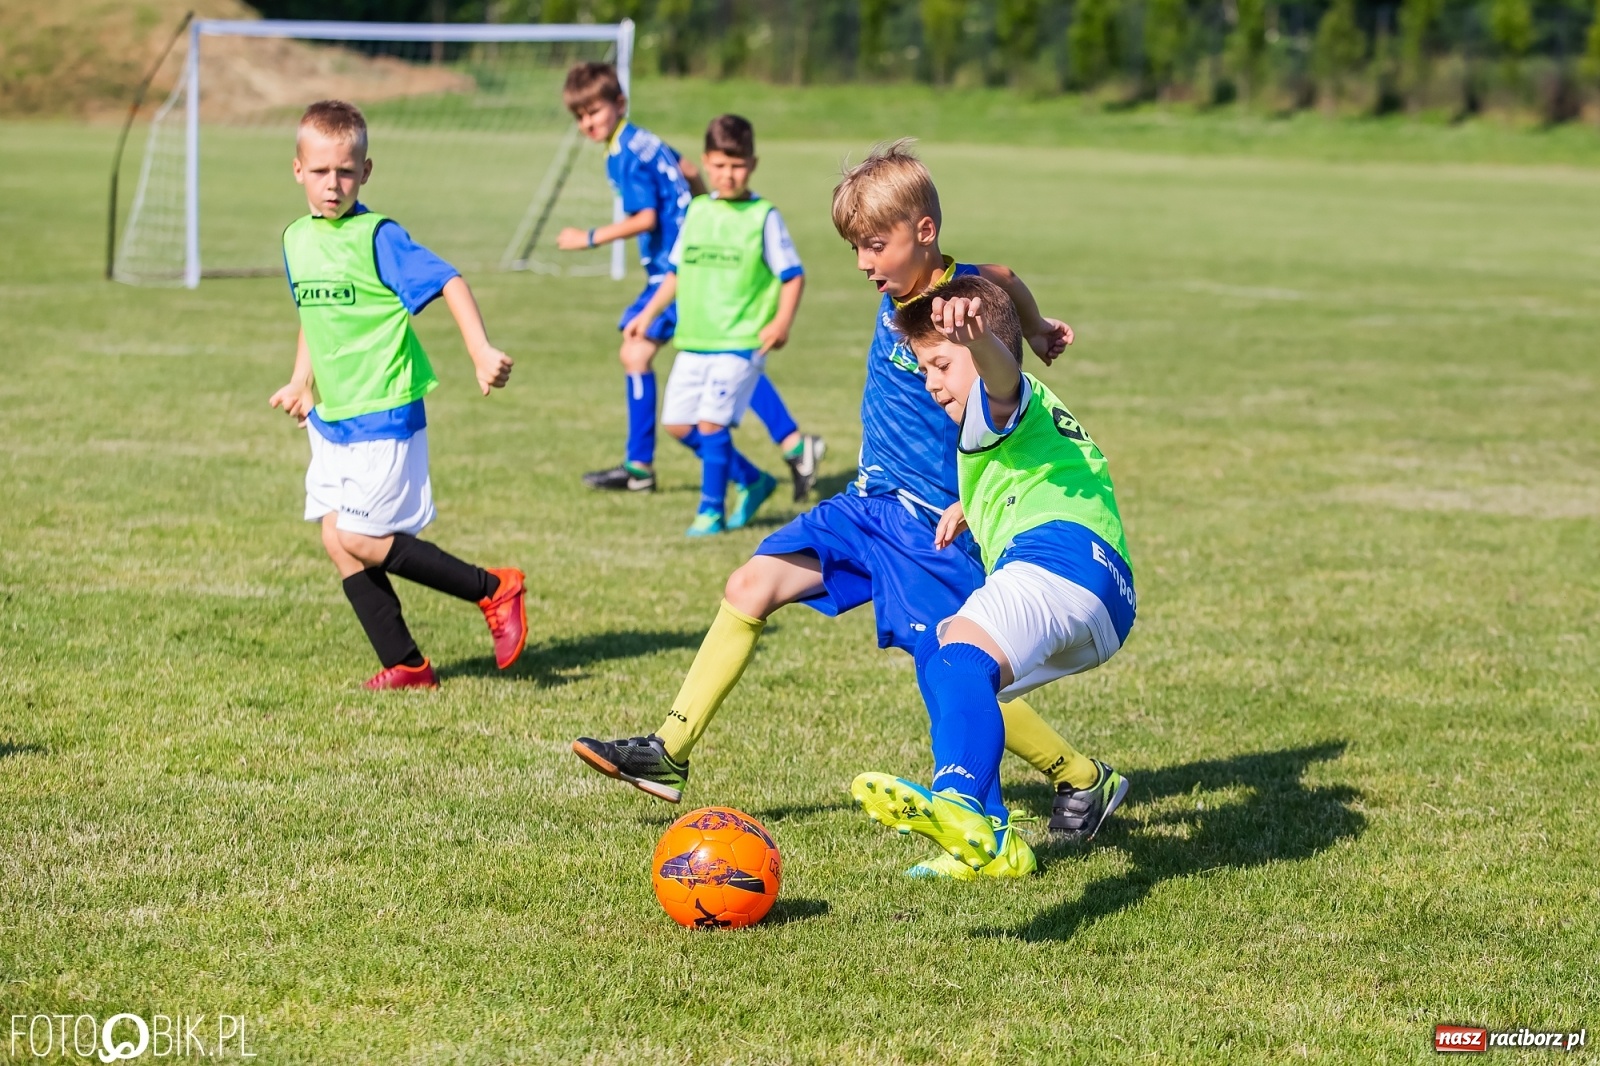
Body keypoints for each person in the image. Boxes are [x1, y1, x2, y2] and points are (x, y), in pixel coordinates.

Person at [572, 141, 1120, 871]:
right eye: (856, 247)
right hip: (865, 504)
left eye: (875, 245)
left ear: (924, 232)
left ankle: (1076, 777)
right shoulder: (911, 286)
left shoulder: (959, 307)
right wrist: (1044, 323)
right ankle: (668, 751)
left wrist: (1024, 335)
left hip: (928, 524)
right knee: (750, 586)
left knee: (951, 664)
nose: (864, 262)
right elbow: (1010, 275)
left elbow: (997, 315)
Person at [852, 276, 1135, 879]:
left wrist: (979, 345)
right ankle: (997, 843)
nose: (930, 382)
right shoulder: (1028, 414)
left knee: (956, 663)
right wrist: (971, 508)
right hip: (1106, 598)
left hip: (1057, 562)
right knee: (940, 654)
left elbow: (1000, 381)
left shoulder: (994, 392)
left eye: (940, 363)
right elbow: (1030, 467)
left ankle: (957, 802)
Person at [269, 99, 527, 690]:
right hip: (333, 416)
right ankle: (406, 664)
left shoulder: (378, 236)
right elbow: (313, 314)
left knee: (361, 535)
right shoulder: (295, 240)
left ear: (366, 171)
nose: (332, 185)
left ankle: (494, 588)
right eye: (320, 172)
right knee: (338, 539)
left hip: (383, 411)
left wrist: (480, 351)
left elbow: (447, 279)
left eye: (345, 171)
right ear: (297, 170)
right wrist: (300, 380)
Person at [556, 63, 825, 501]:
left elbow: (645, 216)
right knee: (722, 354)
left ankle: (648, 467)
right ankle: (793, 445)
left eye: (595, 111)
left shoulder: (625, 152)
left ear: (618, 104)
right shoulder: (642, 138)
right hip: (691, 262)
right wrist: (705, 206)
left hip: (678, 270)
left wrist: (588, 238)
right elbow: (683, 166)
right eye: (580, 115)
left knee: (670, 352)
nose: (588, 122)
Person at [617, 114, 804, 537]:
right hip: (695, 339)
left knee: (711, 425)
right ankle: (753, 480)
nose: (728, 174)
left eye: (737, 166)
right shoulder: (697, 211)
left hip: (740, 341)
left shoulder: (763, 216)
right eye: (719, 166)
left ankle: (711, 511)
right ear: (705, 163)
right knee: (678, 424)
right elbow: (676, 272)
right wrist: (646, 316)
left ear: (753, 165)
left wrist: (781, 322)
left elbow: (792, 274)